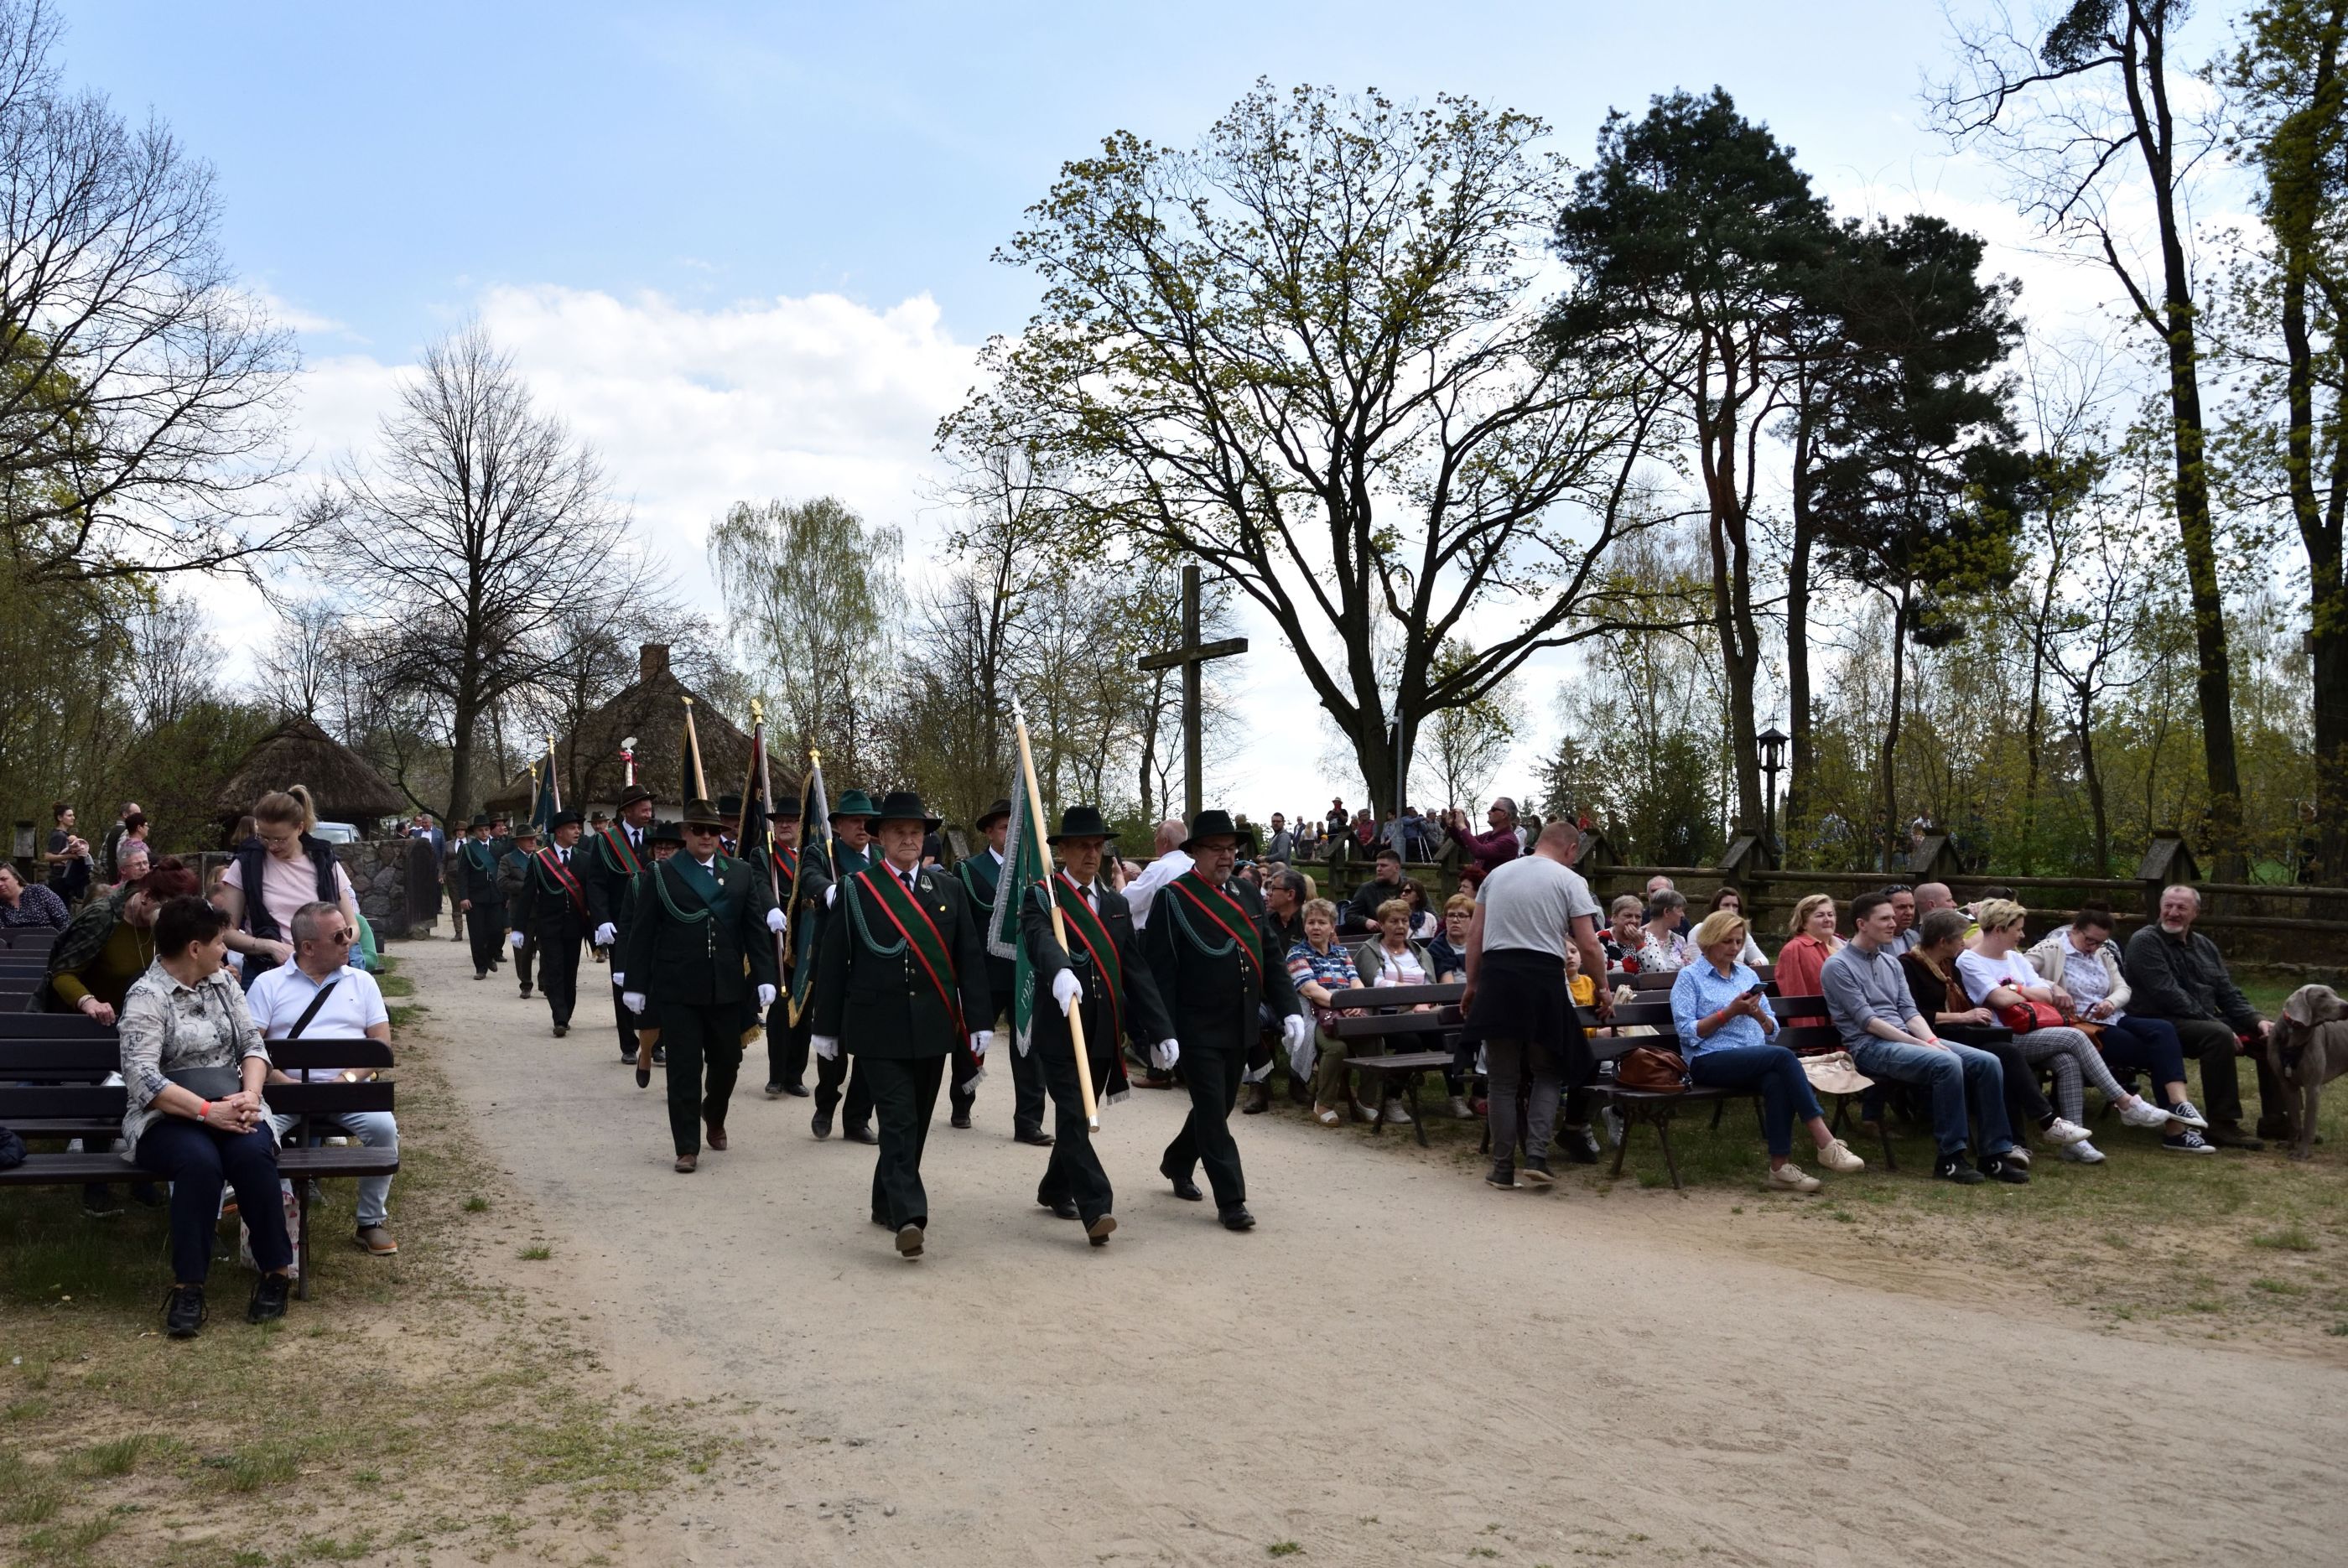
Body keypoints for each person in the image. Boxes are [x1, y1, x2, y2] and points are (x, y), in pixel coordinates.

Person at [808, 792, 991, 1258]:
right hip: (876, 1027)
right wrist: (825, 1027)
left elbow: (968, 958)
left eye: (916, 832)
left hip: (933, 1026)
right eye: (899, 832)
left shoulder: (947, 889)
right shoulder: (857, 889)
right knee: (898, 1120)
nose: (909, 839)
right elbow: (833, 962)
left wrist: (979, 1019)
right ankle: (910, 1216)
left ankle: (884, 1201)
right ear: (881, 838)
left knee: (919, 1123)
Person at [118, 895, 294, 1337]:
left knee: (253, 1155)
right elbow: (142, 1079)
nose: (226, 950)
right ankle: (189, 1287)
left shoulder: (224, 984)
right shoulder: (146, 996)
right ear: (194, 948)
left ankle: (276, 1273)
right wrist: (205, 1112)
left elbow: (253, 1048)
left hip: (233, 1105)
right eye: (219, 942)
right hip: (168, 1117)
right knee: (198, 1163)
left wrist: (251, 1096)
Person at [1142, 808, 1309, 1231]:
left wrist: (1289, 1006)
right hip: (1195, 1026)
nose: (1226, 856)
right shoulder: (1174, 897)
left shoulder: (1249, 894)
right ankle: (1231, 1199)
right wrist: (1160, 1031)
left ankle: (1176, 1162)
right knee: (1214, 1112)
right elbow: (1159, 970)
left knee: (1219, 1105)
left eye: (1231, 849)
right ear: (1195, 851)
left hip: (1241, 1022)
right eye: (1216, 849)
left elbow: (1269, 954)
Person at [1020, 805, 1176, 1246]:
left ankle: (1054, 1188)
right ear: (1063, 850)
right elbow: (1038, 938)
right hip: (1060, 1029)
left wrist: (1161, 1029)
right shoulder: (1043, 896)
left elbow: (1136, 970)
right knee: (1074, 1114)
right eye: (1082, 846)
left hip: (1104, 1031)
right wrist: (1058, 970)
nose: (1091, 854)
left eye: (1097, 846)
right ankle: (1097, 1208)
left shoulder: (1115, 904)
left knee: (1072, 1121)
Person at [1957, 899, 2202, 1160]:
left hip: (2035, 1029)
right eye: (2017, 929)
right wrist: (2025, 993)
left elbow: (2045, 993)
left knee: (2068, 1060)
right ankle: (2126, 1102)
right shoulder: (1970, 961)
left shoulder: (2015, 958)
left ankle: (2075, 1139)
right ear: (1998, 930)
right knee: (2075, 1036)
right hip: (2003, 1036)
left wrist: (2016, 989)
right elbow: (2000, 1001)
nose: (2022, 934)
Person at [1819, 890, 2023, 1186]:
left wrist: (1930, 1041)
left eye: (1893, 918)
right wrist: (1921, 1045)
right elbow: (1868, 1021)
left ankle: (1994, 1155)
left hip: (1904, 1040)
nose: (1893, 924)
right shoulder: (1838, 966)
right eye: (1885, 918)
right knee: (1947, 1063)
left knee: (1989, 1062)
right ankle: (1950, 1158)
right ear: (1862, 924)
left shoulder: (1891, 963)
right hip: (1869, 1047)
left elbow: (1909, 1011)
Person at [621, 798, 779, 1173]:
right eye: (698, 830)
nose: (706, 836)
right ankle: (686, 1145)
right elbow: (643, 933)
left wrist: (766, 975)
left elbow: (754, 929)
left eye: (713, 830)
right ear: (685, 833)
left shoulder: (739, 873)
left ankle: (714, 1113)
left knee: (728, 1063)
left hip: (727, 988)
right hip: (678, 988)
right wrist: (636, 983)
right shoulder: (662, 874)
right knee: (683, 1068)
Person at [1458, 820, 1612, 1190]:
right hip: (1542, 978)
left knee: (1502, 1079)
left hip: (1497, 978)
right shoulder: (1570, 880)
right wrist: (1604, 988)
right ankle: (1538, 1157)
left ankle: (1502, 1167)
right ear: (1571, 850)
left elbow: (1475, 938)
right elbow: (1589, 945)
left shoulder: (1497, 876)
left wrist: (1473, 984)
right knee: (1548, 1070)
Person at [1670, 910, 1866, 1191]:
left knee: (1777, 1079)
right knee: (1783, 1057)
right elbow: (1687, 1032)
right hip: (1708, 1060)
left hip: (1755, 1058)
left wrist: (1756, 1015)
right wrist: (1728, 1013)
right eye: (1728, 941)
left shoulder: (1746, 974)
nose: (1735, 948)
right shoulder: (1690, 978)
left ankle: (1779, 1168)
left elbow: (1772, 1028)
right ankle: (1825, 1142)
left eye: (1739, 941)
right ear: (1710, 941)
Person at [247, 901, 400, 1254]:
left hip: (343, 1092)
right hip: (282, 1093)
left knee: (384, 1129)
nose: (349, 940)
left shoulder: (362, 982)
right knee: (255, 1137)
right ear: (308, 947)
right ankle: (278, 1217)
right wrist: (282, 1083)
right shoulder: (269, 985)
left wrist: (344, 1081)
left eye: (348, 931)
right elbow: (249, 1045)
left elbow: (380, 1046)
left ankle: (370, 1221)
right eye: (340, 935)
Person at [1899, 908, 2093, 1164]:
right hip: (1933, 1036)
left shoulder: (1949, 965)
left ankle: (2019, 1140)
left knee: (2005, 1053)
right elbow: (1911, 1014)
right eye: (1960, 938)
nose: (1965, 942)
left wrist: (1974, 1015)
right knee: (2005, 1055)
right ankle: (2044, 1125)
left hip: (1961, 1032)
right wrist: (1963, 1017)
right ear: (1943, 941)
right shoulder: (1909, 965)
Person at [2028, 905, 2210, 1153]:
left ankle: (2179, 1106)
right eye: (2088, 940)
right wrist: (2053, 987)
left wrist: (2110, 1002)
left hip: (2113, 1017)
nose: (2092, 947)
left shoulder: (2103, 954)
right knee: (2159, 1053)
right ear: (2074, 930)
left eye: (2099, 942)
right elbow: (2019, 972)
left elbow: (2123, 988)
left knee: (2163, 1030)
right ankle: (2175, 1130)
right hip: (2083, 1025)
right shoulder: (2051, 950)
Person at [2122, 885, 2283, 1150]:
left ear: (2195, 912)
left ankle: (2276, 1119)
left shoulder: (2205, 946)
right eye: (2168, 906)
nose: (2173, 913)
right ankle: (2223, 1124)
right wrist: (2217, 1022)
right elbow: (2168, 994)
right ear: (2160, 908)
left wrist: (2257, 1019)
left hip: (2200, 1017)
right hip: (2159, 1020)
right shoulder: (2145, 941)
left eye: (2181, 907)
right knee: (2217, 1035)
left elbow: (2227, 992)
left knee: (2271, 1035)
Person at [949, 799, 1050, 1144]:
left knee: (1028, 1048)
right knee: (971, 1044)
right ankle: (962, 1101)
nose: (1012, 834)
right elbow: (959, 926)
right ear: (989, 832)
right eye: (1006, 827)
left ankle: (1028, 1122)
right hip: (983, 974)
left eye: (1017, 828)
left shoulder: (1034, 873)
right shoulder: (968, 871)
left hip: (1024, 973)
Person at [214, 787, 361, 989]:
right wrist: (271, 947)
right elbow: (226, 932)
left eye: (280, 839)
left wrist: (331, 947)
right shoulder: (246, 864)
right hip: (265, 972)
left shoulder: (325, 861)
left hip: (326, 974)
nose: (272, 846)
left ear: (300, 828)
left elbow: (353, 927)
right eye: (264, 837)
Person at [799, 791, 879, 1143]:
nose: (862, 827)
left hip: (875, 960)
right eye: (855, 821)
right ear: (838, 825)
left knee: (871, 1045)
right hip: (835, 958)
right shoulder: (823, 853)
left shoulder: (881, 858)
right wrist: (829, 892)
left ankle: (858, 1118)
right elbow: (810, 878)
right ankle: (825, 1105)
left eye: (867, 821)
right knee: (832, 1037)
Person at [581, 786, 657, 1066]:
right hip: (619, 922)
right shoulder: (605, 841)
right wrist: (601, 920)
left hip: (655, 919)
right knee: (624, 981)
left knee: (655, 981)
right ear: (627, 811)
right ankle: (629, 1042)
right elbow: (596, 883)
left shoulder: (656, 837)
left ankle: (655, 1041)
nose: (649, 812)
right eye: (643, 808)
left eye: (650, 808)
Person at [1348, 897, 1438, 1126]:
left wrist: (1423, 1001)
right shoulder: (1370, 950)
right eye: (1393, 921)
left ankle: (1459, 1096)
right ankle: (1392, 1099)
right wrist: (1414, 994)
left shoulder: (1418, 951)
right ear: (1381, 924)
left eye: (1404, 921)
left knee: (1447, 1038)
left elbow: (1430, 983)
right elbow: (1376, 983)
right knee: (1412, 1043)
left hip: (1418, 1014)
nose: (1400, 926)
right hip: (1384, 1016)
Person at [508, 809, 590, 1036]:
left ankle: (567, 1011)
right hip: (549, 927)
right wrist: (518, 928)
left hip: (575, 927)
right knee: (553, 971)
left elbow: (593, 895)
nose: (578, 831)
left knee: (569, 973)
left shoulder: (584, 858)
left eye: (578, 828)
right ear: (560, 832)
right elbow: (526, 895)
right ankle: (559, 1017)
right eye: (573, 828)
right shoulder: (540, 859)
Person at [1287, 897, 1364, 1126]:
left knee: (1374, 1040)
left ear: (1332, 926)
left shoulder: (1341, 953)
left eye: (1322, 922)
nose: (1316, 927)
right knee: (1335, 1048)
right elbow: (1312, 990)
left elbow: (1356, 981)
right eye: (1311, 922)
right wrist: (1344, 1003)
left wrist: (1356, 1001)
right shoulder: (1297, 953)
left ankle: (1367, 1102)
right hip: (1316, 1016)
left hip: (1347, 1011)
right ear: (1304, 926)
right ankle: (1323, 1105)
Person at [753, 790, 809, 1099]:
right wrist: (770, 906)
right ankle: (776, 1076)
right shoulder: (764, 855)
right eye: (780, 821)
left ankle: (795, 1075)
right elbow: (758, 883)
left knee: (804, 1010)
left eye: (791, 821)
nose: (785, 826)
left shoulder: (812, 855)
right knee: (779, 1009)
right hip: (777, 940)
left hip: (807, 941)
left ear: (801, 825)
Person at [455, 816, 507, 981]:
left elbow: (503, 872)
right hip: (475, 898)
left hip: (496, 896)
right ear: (474, 832)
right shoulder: (467, 849)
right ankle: (481, 967)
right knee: (477, 934)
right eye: (480, 830)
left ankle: (490, 955)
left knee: (497, 932)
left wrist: (506, 895)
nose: (484, 833)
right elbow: (462, 875)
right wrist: (464, 897)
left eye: (486, 829)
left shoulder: (498, 848)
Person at [1122, 818, 1191, 929]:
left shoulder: (1158, 869)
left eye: (1156, 836)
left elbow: (1126, 902)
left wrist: (1119, 877)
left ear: (1165, 841)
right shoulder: (1193, 866)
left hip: (1154, 939)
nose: (1154, 840)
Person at [497, 823, 540, 998]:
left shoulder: (542, 856)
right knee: (523, 949)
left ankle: (545, 980)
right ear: (519, 841)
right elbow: (502, 882)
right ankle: (526, 983)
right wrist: (527, 887)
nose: (532, 841)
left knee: (549, 947)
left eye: (534, 838)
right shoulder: (508, 859)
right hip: (522, 910)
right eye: (528, 839)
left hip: (543, 909)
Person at [1774, 894, 1843, 997]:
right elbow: (1795, 995)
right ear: (1803, 923)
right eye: (1820, 915)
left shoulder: (1846, 945)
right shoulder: (1794, 949)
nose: (1827, 919)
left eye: (1830, 914)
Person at [1445, 798, 1522, 878]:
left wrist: (1461, 825)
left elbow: (1479, 851)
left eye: (1493, 809)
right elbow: (1464, 842)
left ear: (1504, 814)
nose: (1488, 812)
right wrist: (1453, 825)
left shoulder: (1508, 841)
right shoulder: (1489, 835)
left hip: (1493, 889)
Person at [1343, 845, 1409, 934]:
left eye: (1383, 866)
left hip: (1408, 935)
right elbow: (1349, 915)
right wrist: (1365, 921)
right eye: (1377, 865)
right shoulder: (1367, 889)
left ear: (1396, 868)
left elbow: (1430, 912)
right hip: (1377, 938)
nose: (1378, 869)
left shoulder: (1410, 887)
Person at [1706, 886, 1767, 966]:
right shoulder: (1701, 930)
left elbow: (1763, 960)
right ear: (1716, 907)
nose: (1731, 910)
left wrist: (1757, 962)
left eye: (1735, 906)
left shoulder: (1741, 933)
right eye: (1726, 905)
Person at [0, 860, 70, 931]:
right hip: (14, 940)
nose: (0, 884)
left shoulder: (39, 892)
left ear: (16, 878)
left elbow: (64, 922)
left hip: (48, 939)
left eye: (4, 879)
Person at [45, 802, 91, 909]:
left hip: (64, 878)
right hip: (58, 879)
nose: (73, 818)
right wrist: (70, 856)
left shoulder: (65, 835)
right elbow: (48, 856)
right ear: (60, 818)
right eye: (69, 815)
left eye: (73, 815)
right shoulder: (58, 835)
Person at [1638, 889, 1693, 974]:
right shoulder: (1638, 937)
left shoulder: (1679, 940)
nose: (1683, 915)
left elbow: (1690, 972)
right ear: (1666, 912)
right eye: (1680, 910)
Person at [1600, 894, 1644, 970]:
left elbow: (1659, 973)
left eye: (1638, 917)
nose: (1634, 921)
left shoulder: (1648, 937)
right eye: (1628, 916)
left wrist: (1640, 946)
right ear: (1614, 918)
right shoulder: (1601, 939)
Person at [1883, 885, 1919, 954]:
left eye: (1911, 907)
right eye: (1902, 907)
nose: (1909, 912)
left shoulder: (1915, 937)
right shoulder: (1875, 941)